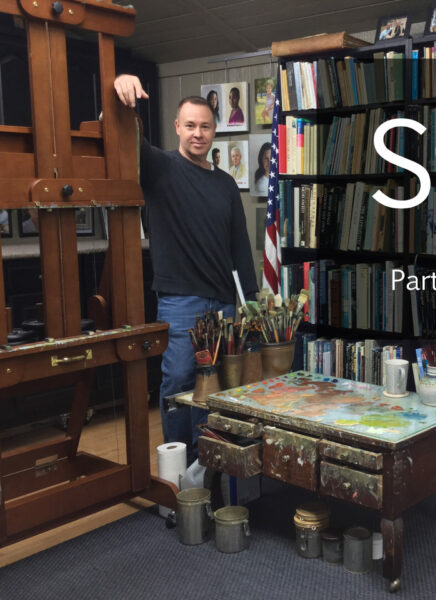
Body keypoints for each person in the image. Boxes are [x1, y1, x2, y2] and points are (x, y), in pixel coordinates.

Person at [113, 74, 258, 464]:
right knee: (178, 382)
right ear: (177, 127)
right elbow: (124, 137)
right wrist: (122, 89)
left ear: (215, 130)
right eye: (190, 125)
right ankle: (178, 471)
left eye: (205, 126)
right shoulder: (160, 168)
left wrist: (253, 302)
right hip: (180, 305)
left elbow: (240, 250)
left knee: (218, 389)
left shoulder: (227, 184)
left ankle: (207, 462)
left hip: (224, 305)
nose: (198, 134)